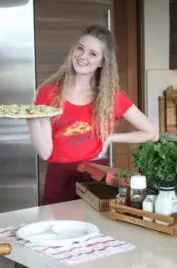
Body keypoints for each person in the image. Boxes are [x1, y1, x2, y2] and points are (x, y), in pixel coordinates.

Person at [27, 25, 158, 205]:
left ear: (102, 63)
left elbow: (152, 133)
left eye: (92, 54)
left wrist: (111, 137)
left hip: (95, 176)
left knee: (98, 230)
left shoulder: (110, 96)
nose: (82, 57)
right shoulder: (47, 93)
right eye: (80, 48)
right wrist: (30, 117)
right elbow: (45, 153)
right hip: (58, 179)